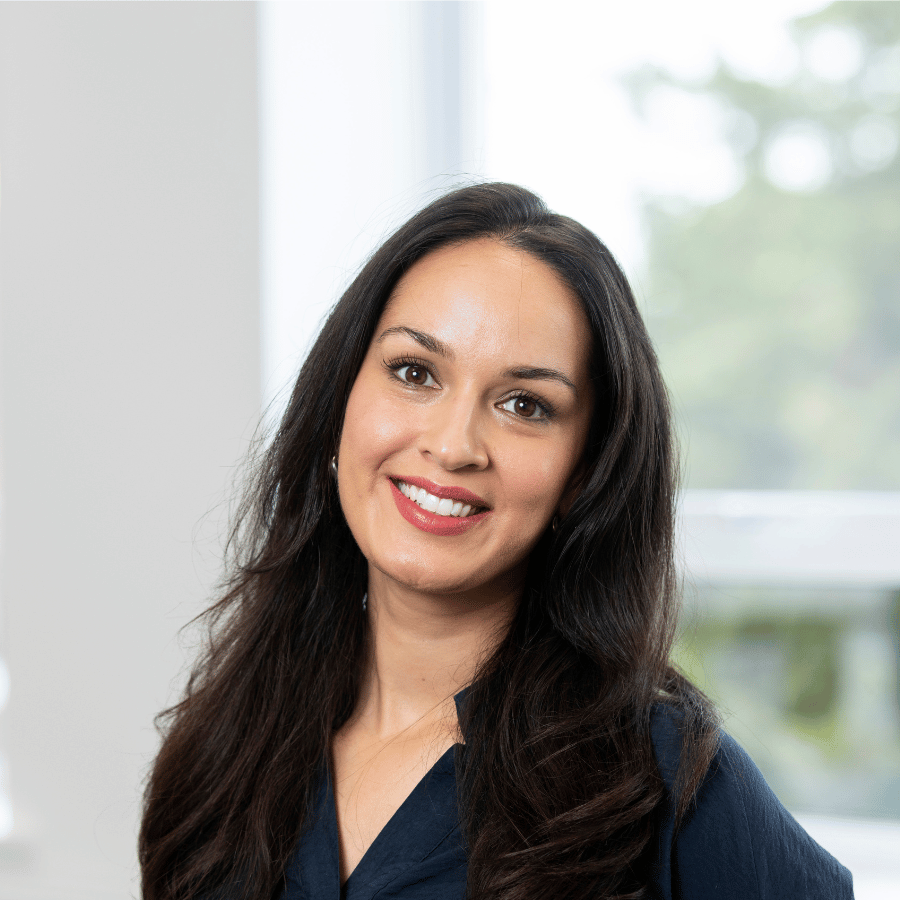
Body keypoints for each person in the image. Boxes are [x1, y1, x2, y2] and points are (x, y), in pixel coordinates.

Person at [139, 183, 853, 900]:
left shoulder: (664, 780)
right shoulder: (221, 752)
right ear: (339, 403)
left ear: (585, 471)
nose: (452, 447)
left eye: (524, 405)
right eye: (414, 373)